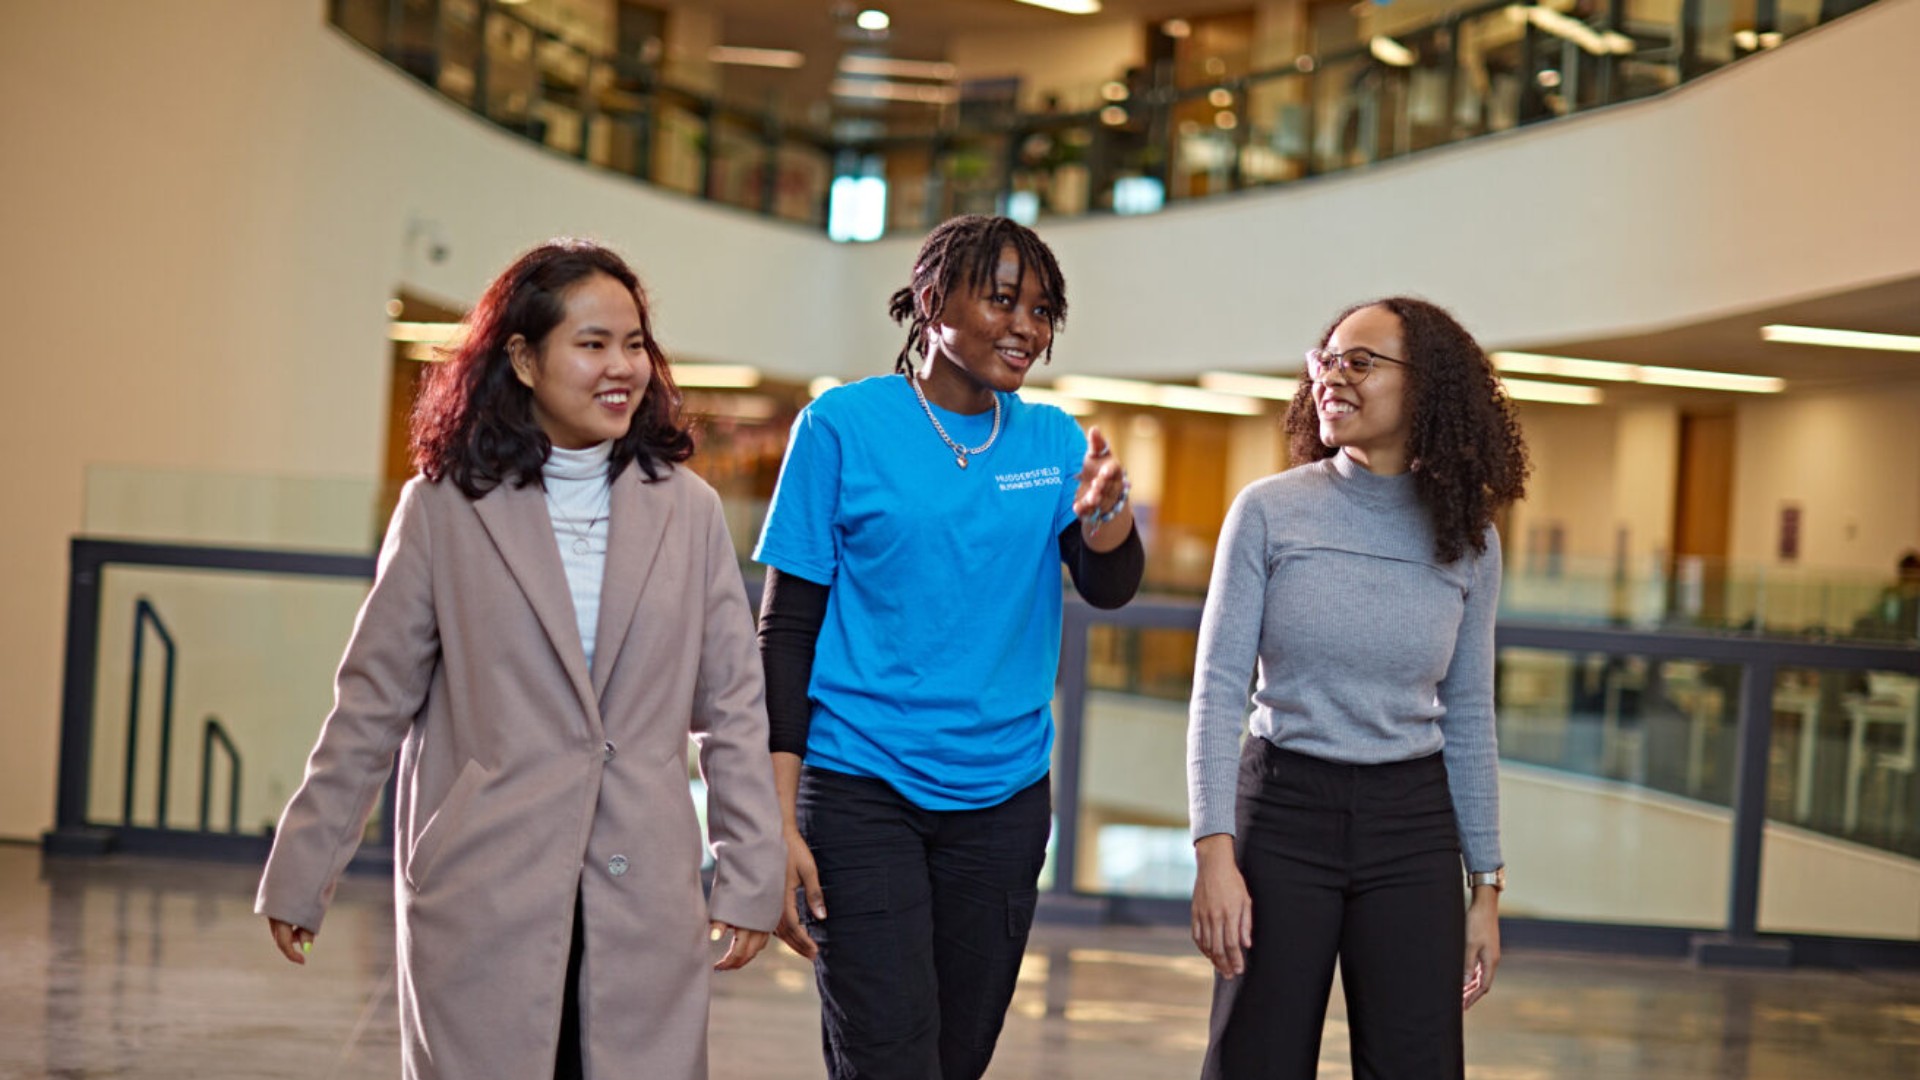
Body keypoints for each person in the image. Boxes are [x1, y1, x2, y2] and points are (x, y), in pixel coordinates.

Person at [255, 239, 786, 1080]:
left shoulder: (688, 512)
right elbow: (372, 702)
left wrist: (751, 867)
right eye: (592, 344)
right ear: (523, 359)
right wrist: (305, 862)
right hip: (482, 873)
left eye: (635, 343)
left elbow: (732, 706)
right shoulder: (441, 507)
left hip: (641, 873)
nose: (622, 367)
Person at [754, 214, 1145, 1080]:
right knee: (889, 1055)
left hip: (1002, 802)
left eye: (1042, 310)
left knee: (958, 1057)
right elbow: (785, 632)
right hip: (859, 788)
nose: (1026, 328)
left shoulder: (1052, 442)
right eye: (1002, 300)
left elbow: (1110, 585)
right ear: (932, 302)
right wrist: (774, 821)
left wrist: (1110, 515)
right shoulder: (841, 426)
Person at [1187, 297, 1529, 1079]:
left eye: (1360, 362)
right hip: (1282, 813)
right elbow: (1216, 692)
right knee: (1256, 1061)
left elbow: (1471, 713)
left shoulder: (1470, 537)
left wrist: (1486, 888)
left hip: (1411, 826)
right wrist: (1214, 853)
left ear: (1429, 388)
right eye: (1326, 360)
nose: (1333, 377)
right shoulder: (1269, 513)